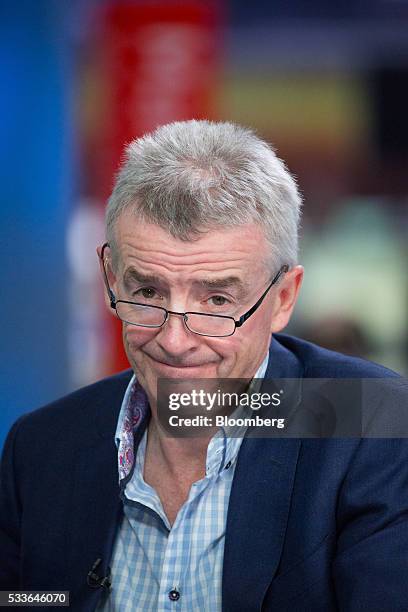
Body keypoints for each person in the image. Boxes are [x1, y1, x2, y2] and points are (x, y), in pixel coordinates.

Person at [0, 120, 407, 611]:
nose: (175, 341)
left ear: (283, 299)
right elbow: (27, 600)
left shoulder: (370, 425)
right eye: (147, 292)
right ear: (110, 277)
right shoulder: (42, 447)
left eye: (216, 300)